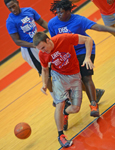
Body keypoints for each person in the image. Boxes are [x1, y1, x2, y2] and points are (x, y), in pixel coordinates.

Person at [48, 0, 115, 130]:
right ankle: (66, 112)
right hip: (67, 54)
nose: (59, 15)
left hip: (84, 50)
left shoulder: (78, 20)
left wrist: (112, 30)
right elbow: (55, 42)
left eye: (61, 12)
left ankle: (93, 104)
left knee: (86, 77)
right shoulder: (52, 23)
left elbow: (97, 27)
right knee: (66, 85)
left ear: (69, 11)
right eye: (57, 12)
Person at [33, 31, 94, 147]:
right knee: (60, 102)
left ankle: (65, 112)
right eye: (40, 49)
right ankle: (60, 135)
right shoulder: (42, 54)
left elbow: (88, 40)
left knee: (76, 108)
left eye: (43, 47)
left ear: (48, 40)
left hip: (75, 75)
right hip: (58, 76)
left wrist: (87, 58)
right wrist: (44, 84)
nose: (43, 51)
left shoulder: (64, 38)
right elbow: (45, 69)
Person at [4, 0, 54, 99]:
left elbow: (42, 22)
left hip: (40, 43)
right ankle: (56, 98)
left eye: (14, 6)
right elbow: (17, 41)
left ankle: (64, 90)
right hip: (30, 50)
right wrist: (35, 45)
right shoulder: (10, 21)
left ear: (18, 3)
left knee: (55, 65)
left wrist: (53, 28)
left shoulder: (29, 10)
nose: (13, 9)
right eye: (10, 8)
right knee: (45, 72)